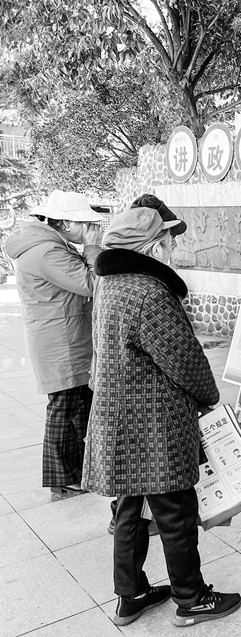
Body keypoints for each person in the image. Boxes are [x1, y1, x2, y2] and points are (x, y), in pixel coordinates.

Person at [82, 202, 241, 627]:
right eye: (169, 242)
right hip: (153, 422)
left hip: (118, 419)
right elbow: (184, 360)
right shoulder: (149, 292)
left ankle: (130, 595)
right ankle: (192, 599)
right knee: (176, 512)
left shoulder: (110, 284)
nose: (173, 249)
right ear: (153, 248)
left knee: (129, 512)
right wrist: (209, 396)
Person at [6, 191, 103, 495]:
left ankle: (77, 471)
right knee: (64, 409)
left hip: (64, 338)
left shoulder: (49, 244)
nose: (92, 228)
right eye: (86, 223)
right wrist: (92, 248)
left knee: (75, 406)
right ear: (65, 223)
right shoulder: (47, 251)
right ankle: (63, 477)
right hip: (61, 343)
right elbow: (92, 284)